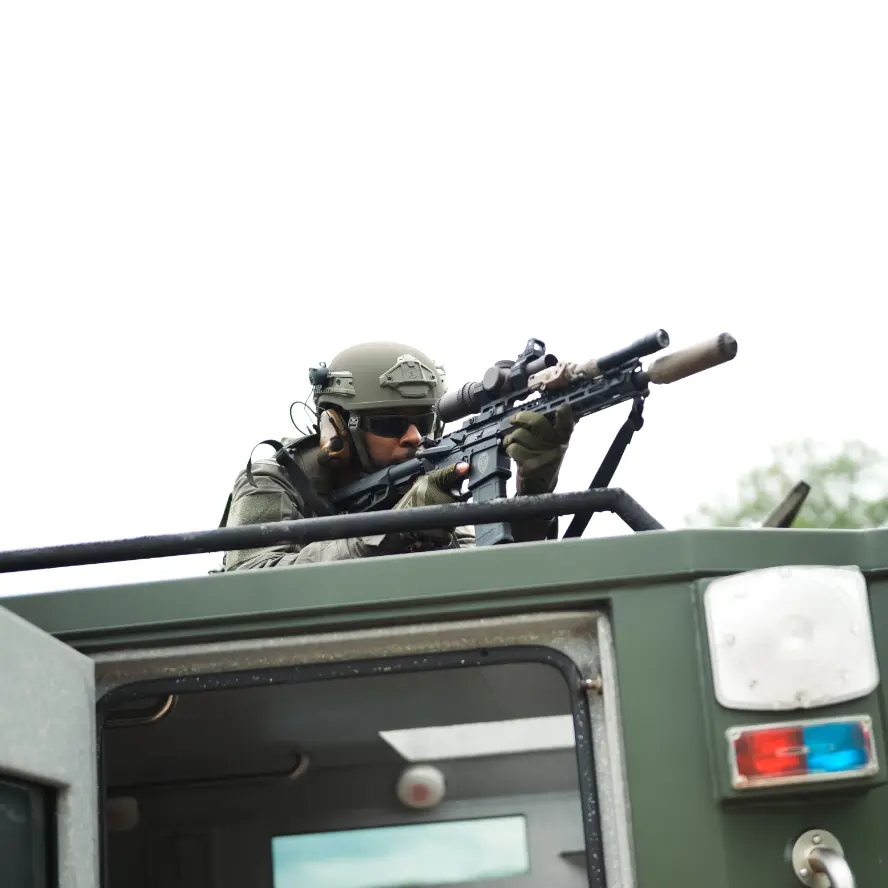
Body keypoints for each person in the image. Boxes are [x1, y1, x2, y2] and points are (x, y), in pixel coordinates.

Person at [220, 341, 574, 570]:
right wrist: (395, 529)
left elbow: (499, 575)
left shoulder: (423, 481)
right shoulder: (274, 479)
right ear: (338, 428)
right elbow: (250, 580)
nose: (414, 437)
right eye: (391, 423)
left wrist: (535, 488)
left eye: (424, 421)